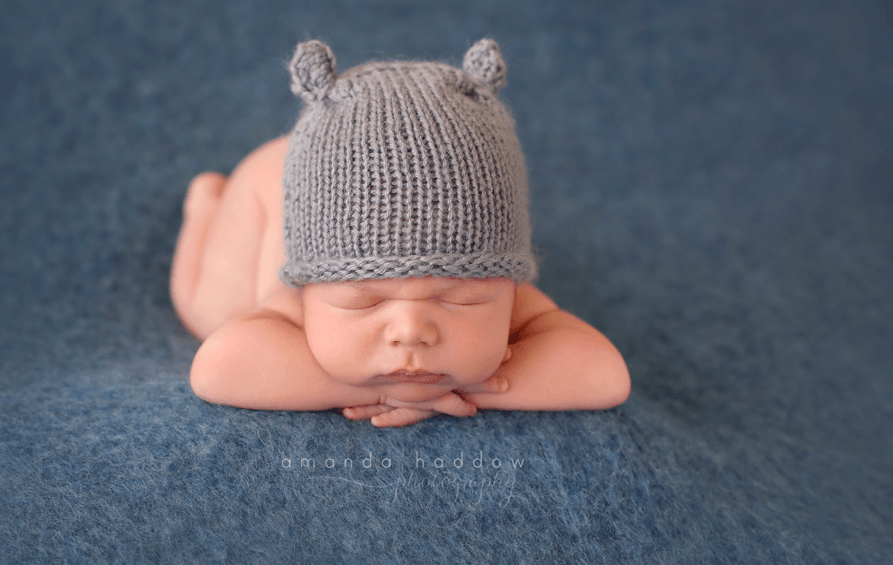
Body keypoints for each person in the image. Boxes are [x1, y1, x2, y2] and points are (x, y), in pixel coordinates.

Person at [170, 39, 630, 427]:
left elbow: (604, 374)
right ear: (309, 290)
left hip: (343, 183)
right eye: (364, 300)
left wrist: (465, 388)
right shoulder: (302, 292)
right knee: (206, 310)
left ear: (508, 283)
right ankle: (205, 204)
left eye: (460, 299)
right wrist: (377, 391)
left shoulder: (497, 278)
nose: (411, 331)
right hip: (264, 191)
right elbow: (218, 367)